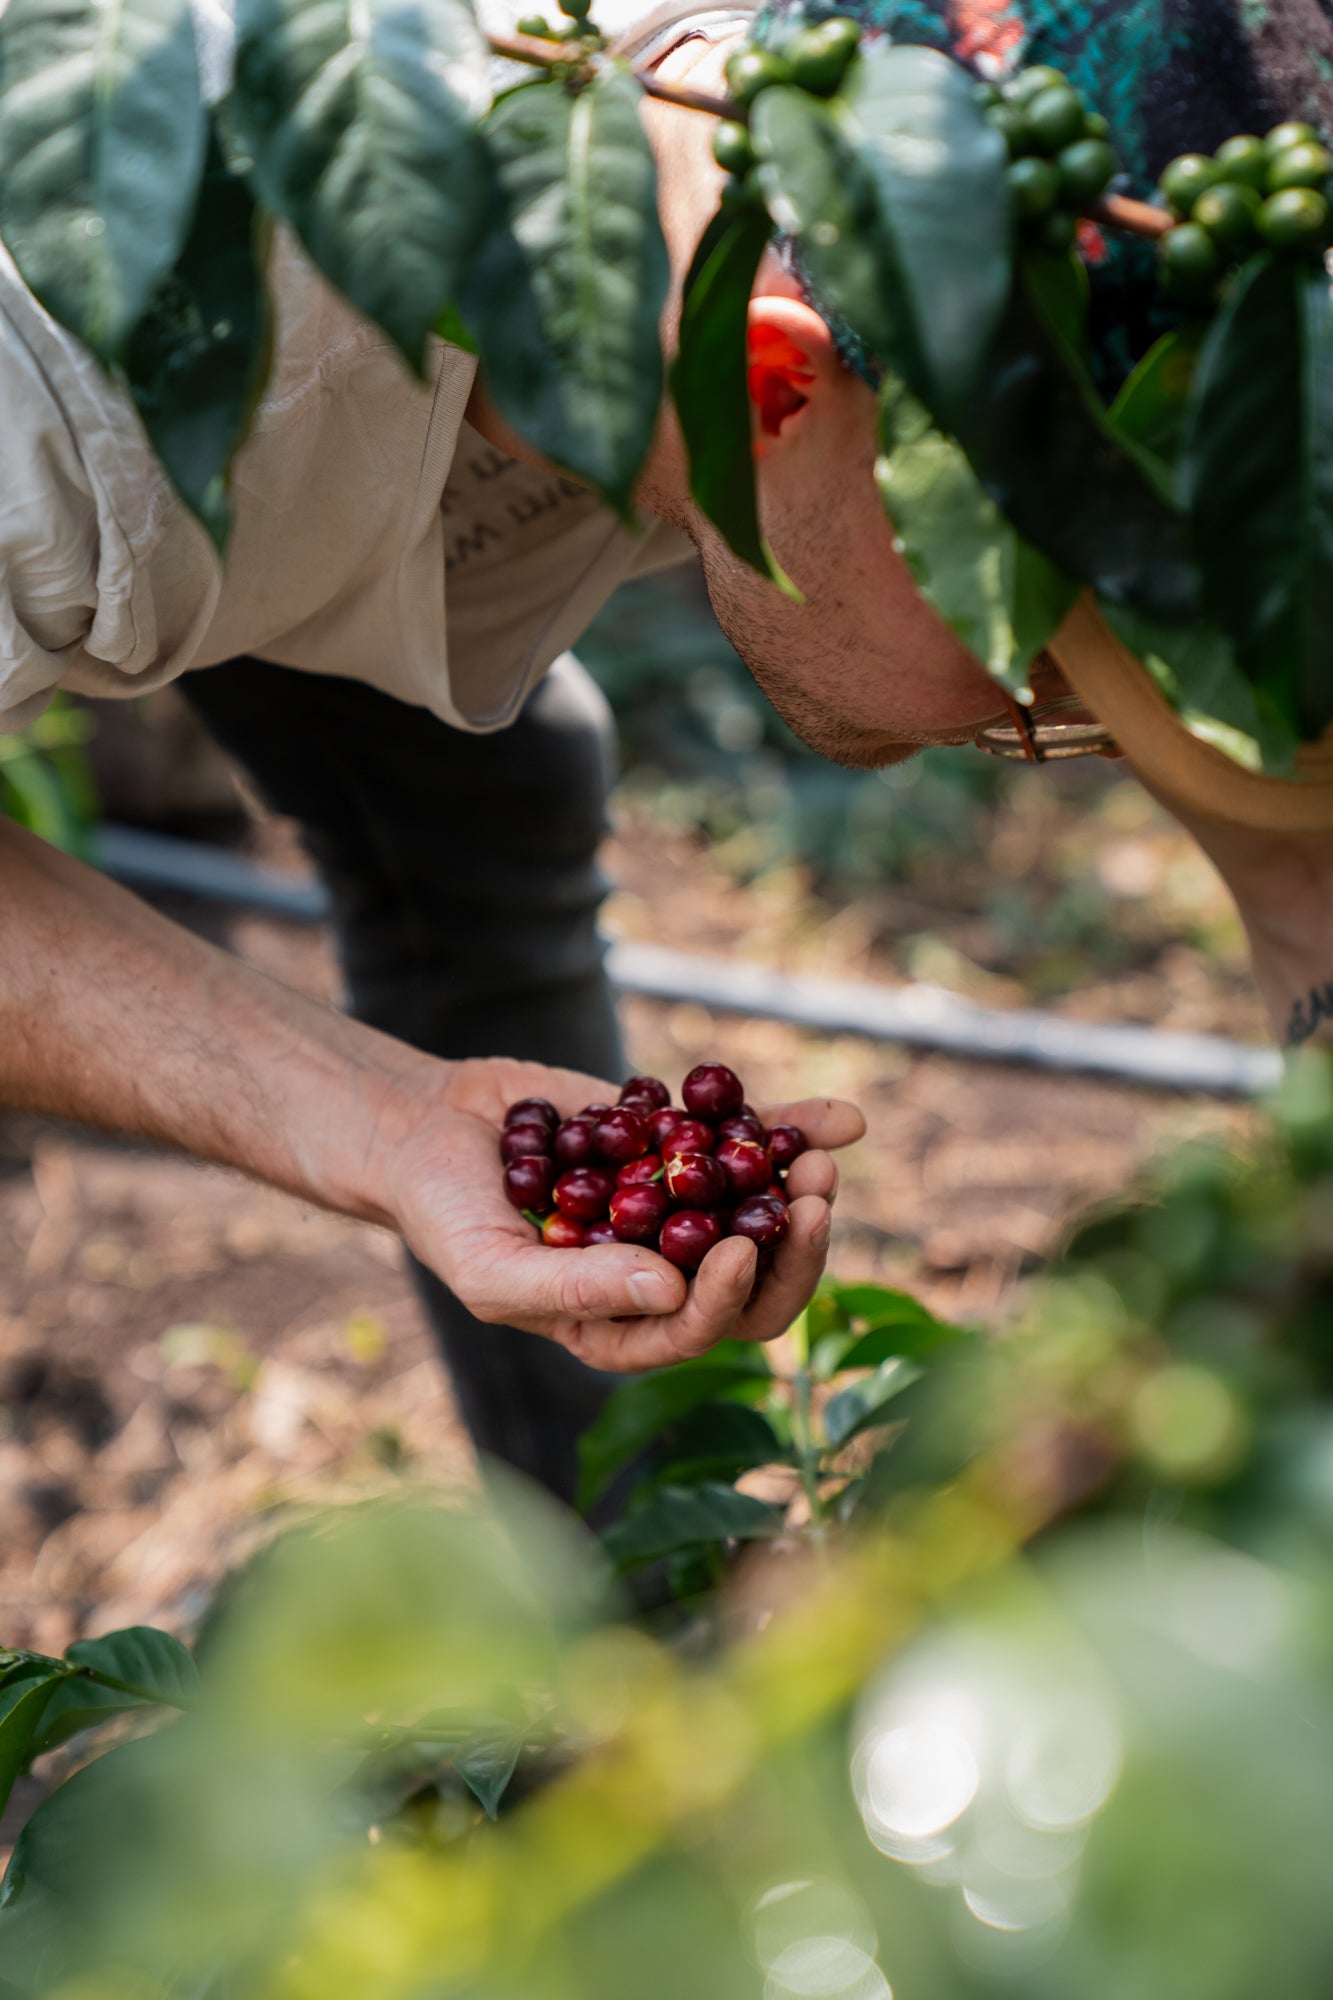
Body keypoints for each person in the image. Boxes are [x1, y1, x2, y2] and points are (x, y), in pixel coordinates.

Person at [2, 0, 1330, 1503]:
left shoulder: (948, 197)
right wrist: (359, 1118)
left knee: (489, 799)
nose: (1073, 728)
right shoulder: (66, 378)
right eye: (1034, 641)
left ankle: (629, 1589)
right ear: (775, 385)